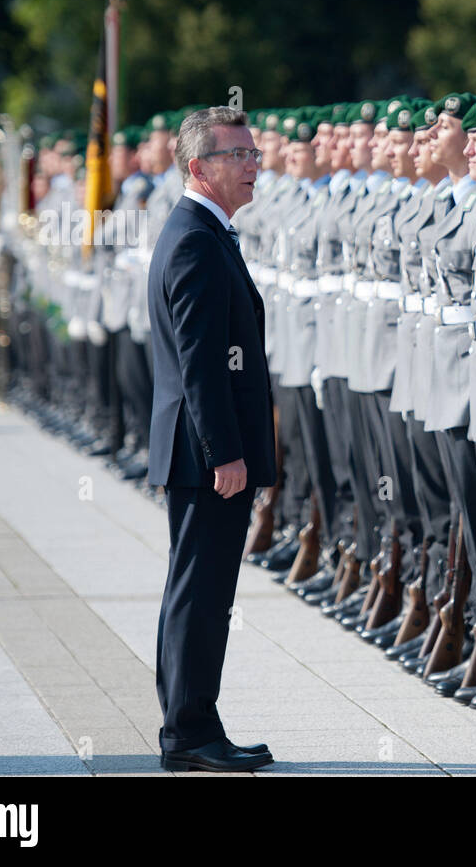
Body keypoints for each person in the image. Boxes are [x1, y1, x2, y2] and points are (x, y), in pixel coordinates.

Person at [147, 106, 277, 772]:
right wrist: (226, 450)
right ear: (199, 167)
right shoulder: (197, 238)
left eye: (253, 153)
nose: (253, 165)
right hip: (207, 456)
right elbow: (200, 362)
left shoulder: (204, 231)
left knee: (197, 593)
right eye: (238, 155)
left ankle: (193, 721)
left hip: (203, 450)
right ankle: (189, 733)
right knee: (201, 597)